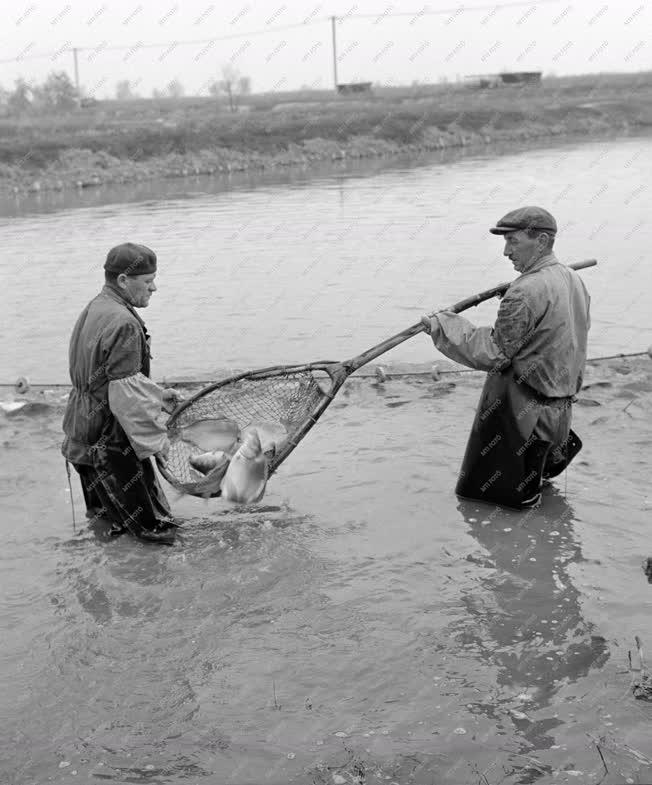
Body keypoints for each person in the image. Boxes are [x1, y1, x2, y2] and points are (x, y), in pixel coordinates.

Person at [421, 206, 591, 509]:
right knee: (532, 494)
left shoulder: (525, 291)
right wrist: (517, 302)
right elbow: (553, 330)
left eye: (513, 241)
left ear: (540, 241)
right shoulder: (571, 278)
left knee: (489, 500)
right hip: (559, 413)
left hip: (526, 416)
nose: (505, 252)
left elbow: (495, 353)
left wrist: (444, 326)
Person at [61, 242, 181, 544]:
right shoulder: (125, 322)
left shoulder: (97, 306)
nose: (154, 288)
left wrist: (155, 394)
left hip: (80, 439)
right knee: (156, 535)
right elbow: (125, 399)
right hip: (111, 448)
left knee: (109, 531)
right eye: (147, 281)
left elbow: (109, 378)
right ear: (123, 281)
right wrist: (157, 441)